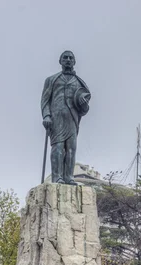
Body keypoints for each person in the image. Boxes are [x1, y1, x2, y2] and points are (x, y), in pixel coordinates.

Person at [41, 50, 91, 185]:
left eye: (70, 58)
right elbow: (45, 101)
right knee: (57, 147)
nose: (68, 60)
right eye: (65, 58)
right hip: (56, 117)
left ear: (74, 61)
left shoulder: (79, 83)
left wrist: (83, 103)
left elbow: (85, 107)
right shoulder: (51, 80)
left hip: (72, 118)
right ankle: (57, 177)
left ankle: (69, 176)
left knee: (71, 148)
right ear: (60, 61)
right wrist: (46, 115)